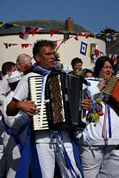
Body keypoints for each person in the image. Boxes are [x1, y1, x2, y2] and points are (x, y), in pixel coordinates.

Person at [7, 40, 91, 178]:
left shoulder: (63, 76)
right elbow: (9, 110)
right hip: (42, 138)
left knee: (72, 174)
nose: (53, 56)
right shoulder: (29, 78)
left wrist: (84, 106)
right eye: (48, 54)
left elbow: (77, 107)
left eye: (54, 53)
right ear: (38, 58)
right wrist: (19, 105)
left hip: (64, 135)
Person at [78, 56, 119, 178]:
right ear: (98, 69)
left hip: (114, 141)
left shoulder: (116, 85)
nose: (108, 70)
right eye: (105, 67)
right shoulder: (88, 83)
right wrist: (98, 89)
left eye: (111, 68)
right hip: (92, 141)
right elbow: (82, 104)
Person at [1, 70, 29, 178]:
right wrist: (28, 115)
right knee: (14, 171)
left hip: (22, 139)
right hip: (14, 140)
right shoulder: (9, 100)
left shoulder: (20, 97)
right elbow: (11, 123)